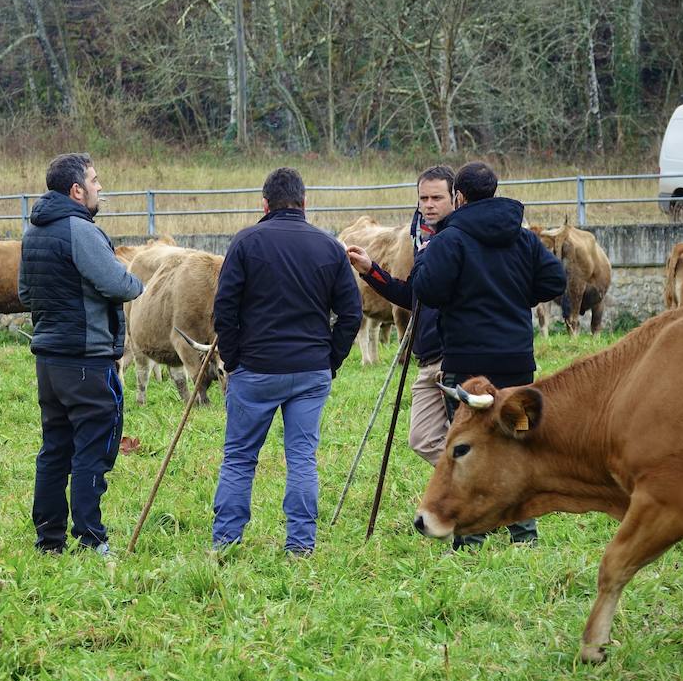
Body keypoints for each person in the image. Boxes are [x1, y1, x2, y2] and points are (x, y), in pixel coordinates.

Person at [409, 161, 566, 547]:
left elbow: (427, 290)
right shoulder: (524, 238)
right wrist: (515, 297)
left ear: (459, 196)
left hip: (467, 364)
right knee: (518, 442)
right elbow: (555, 279)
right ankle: (525, 535)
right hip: (516, 360)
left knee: (469, 448)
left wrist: (428, 259)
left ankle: (471, 539)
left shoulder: (451, 239)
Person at [211, 167, 363, 555]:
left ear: (264, 204)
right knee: (301, 458)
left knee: (240, 458)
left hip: (256, 370)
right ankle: (300, 545)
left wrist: (234, 358)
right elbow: (351, 314)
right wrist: (330, 360)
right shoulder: (329, 247)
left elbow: (223, 309)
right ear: (304, 202)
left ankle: (227, 542)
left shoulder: (245, 243)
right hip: (310, 370)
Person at [19, 153, 144, 555]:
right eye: (95, 180)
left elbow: (25, 293)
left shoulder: (33, 232)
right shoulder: (80, 230)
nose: (100, 186)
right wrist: (136, 281)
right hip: (86, 360)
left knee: (55, 448)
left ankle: (48, 539)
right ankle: (91, 538)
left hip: (49, 360)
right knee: (94, 446)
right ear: (76, 190)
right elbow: (119, 284)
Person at [345, 164, 456, 466]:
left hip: (460, 355)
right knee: (421, 437)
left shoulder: (460, 238)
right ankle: (475, 481)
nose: (429, 205)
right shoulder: (421, 238)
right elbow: (412, 296)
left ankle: (477, 492)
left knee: (469, 433)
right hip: (429, 354)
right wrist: (371, 271)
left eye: (437, 198)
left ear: (455, 198)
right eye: (424, 198)